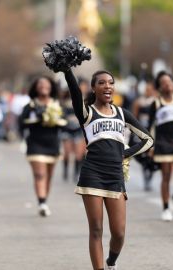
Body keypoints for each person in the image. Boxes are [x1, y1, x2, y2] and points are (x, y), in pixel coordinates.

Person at [63, 68, 153, 270]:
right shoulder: (87, 113)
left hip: (115, 176)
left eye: (110, 82)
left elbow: (148, 140)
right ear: (94, 88)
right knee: (96, 230)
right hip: (92, 174)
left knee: (119, 233)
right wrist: (67, 71)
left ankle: (111, 261)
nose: (107, 86)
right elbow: (75, 93)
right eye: (102, 83)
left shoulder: (123, 114)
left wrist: (125, 154)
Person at [19, 76, 66, 217]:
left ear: (51, 87)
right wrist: (37, 119)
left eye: (46, 84)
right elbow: (21, 123)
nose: (43, 86)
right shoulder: (31, 106)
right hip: (35, 144)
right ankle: (42, 203)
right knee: (40, 174)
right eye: (40, 84)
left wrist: (54, 120)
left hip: (52, 145)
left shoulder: (57, 105)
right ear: (36, 88)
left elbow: (65, 123)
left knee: (49, 176)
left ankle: (44, 200)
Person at [148, 71, 173, 221]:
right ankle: (165, 208)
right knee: (166, 176)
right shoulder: (156, 103)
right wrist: (150, 146)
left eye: (169, 82)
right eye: (163, 83)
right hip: (162, 143)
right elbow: (150, 126)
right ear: (159, 87)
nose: (167, 85)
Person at [131, 78, 157, 191]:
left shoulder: (156, 101)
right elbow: (134, 117)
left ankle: (149, 174)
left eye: (150, 89)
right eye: (147, 89)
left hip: (152, 131)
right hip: (141, 132)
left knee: (151, 156)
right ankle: (145, 174)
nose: (148, 91)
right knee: (142, 154)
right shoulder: (139, 102)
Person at [61, 77, 88, 182]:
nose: (84, 88)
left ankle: (76, 174)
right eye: (82, 86)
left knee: (79, 153)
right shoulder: (66, 101)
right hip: (67, 130)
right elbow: (62, 115)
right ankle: (65, 170)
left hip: (79, 131)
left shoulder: (87, 101)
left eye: (85, 86)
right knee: (67, 153)